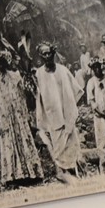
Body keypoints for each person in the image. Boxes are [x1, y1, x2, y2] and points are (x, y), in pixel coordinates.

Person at [0, 49, 46, 187]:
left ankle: (30, 172)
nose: (1, 66)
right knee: (8, 142)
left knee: (22, 138)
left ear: (7, 63)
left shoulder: (16, 76)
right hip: (4, 116)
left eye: (3, 63)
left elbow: (23, 96)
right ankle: (12, 176)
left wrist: (25, 114)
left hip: (18, 115)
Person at [32, 43, 82, 180]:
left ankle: (74, 171)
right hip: (52, 114)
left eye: (49, 53)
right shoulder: (39, 74)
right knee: (58, 144)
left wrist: (69, 109)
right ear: (40, 56)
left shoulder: (62, 70)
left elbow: (74, 90)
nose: (47, 56)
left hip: (66, 111)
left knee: (71, 142)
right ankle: (62, 172)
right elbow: (38, 96)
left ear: (53, 53)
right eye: (44, 54)